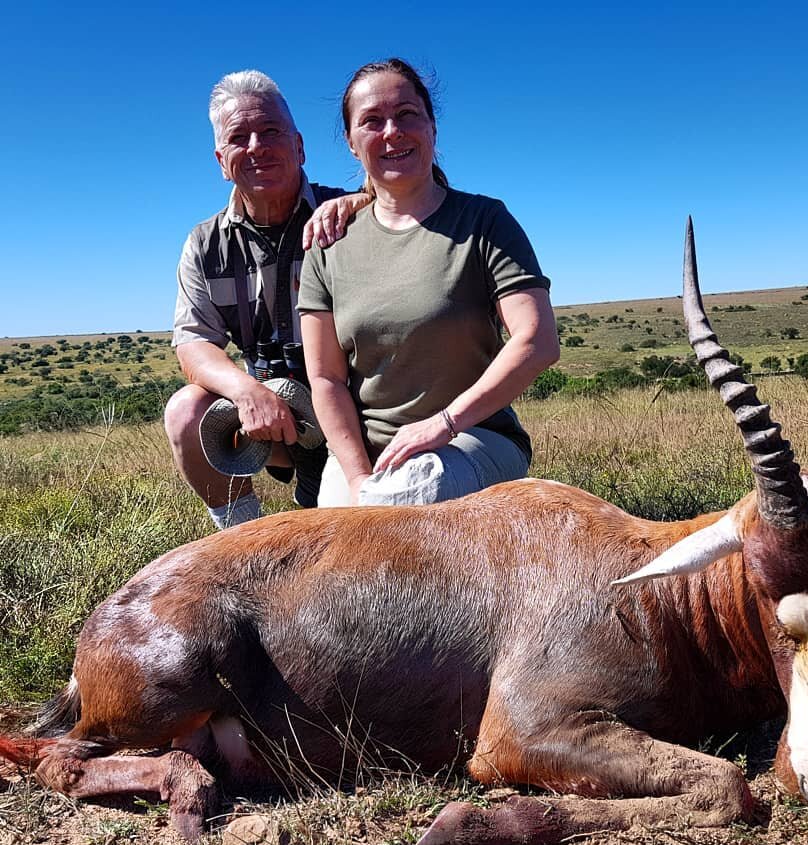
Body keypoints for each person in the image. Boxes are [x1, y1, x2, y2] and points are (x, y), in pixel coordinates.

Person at [299, 59, 560, 507]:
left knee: (401, 502)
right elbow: (324, 378)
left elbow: (537, 340)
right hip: (368, 458)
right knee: (332, 531)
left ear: (432, 127)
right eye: (372, 121)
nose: (391, 132)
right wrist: (358, 475)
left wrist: (445, 422)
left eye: (406, 115)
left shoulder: (484, 221)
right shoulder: (328, 243)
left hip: (470, 438)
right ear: (351, 143)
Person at [167, 70, 366, 529]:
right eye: (240, 137)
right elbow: (193, 343)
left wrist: (364, 199)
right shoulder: (203, 243)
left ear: (299, 146)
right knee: (185, 412)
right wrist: (247, 391)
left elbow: (416, 192)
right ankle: (239, 534)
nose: (257, 145)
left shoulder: (351, 216)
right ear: (222, 160)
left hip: (350, 400)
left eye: (271, 131)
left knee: (341, 535)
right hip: (265, 408)